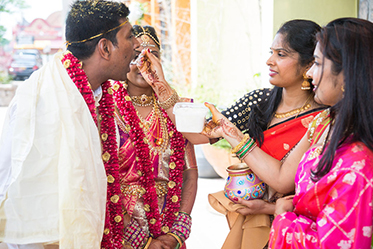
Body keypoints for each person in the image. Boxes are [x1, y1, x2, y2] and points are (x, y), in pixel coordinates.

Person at [134, 19, 325, 249]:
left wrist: (270, 208)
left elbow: (298, 186)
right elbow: (199, 135)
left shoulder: (322, 117)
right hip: (253, 220)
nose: (269, 60)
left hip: (300, 226)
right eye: (271, 52)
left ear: (308, 65)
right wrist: (160, 85)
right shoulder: (259, 102)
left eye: (281, 54)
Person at [0, 1, 139, 248]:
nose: (137, 45)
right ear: (105, 48)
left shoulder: (101, 93)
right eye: (129, 37)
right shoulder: (40, 98)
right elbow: (9, 178)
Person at [268, 17, 373, 248]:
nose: (310, 74)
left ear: (347, 74)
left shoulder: (357, 165)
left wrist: (283, 219)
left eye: (316, 63)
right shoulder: (330, 122)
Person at [112, 25, 198, 249]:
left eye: (152, 55)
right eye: (136, 55)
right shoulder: (106, 109)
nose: (144, 63)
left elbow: (190, 172)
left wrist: (178, 231)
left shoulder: (179, 110)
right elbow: (103, 180)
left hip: (169, 232)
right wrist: (140, 240)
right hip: (121, 230)